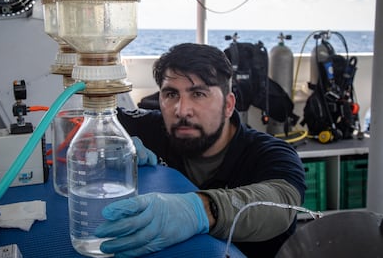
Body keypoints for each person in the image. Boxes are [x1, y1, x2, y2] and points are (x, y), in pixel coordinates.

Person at [94, 43, 306, 258]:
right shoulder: (147, 128)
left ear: (228, 105)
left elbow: (281, 202)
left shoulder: (271, 153)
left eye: (198, 94)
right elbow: (81, 125)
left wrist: (200, 210)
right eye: (171, 94)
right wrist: (103, 140)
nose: (182, 110)